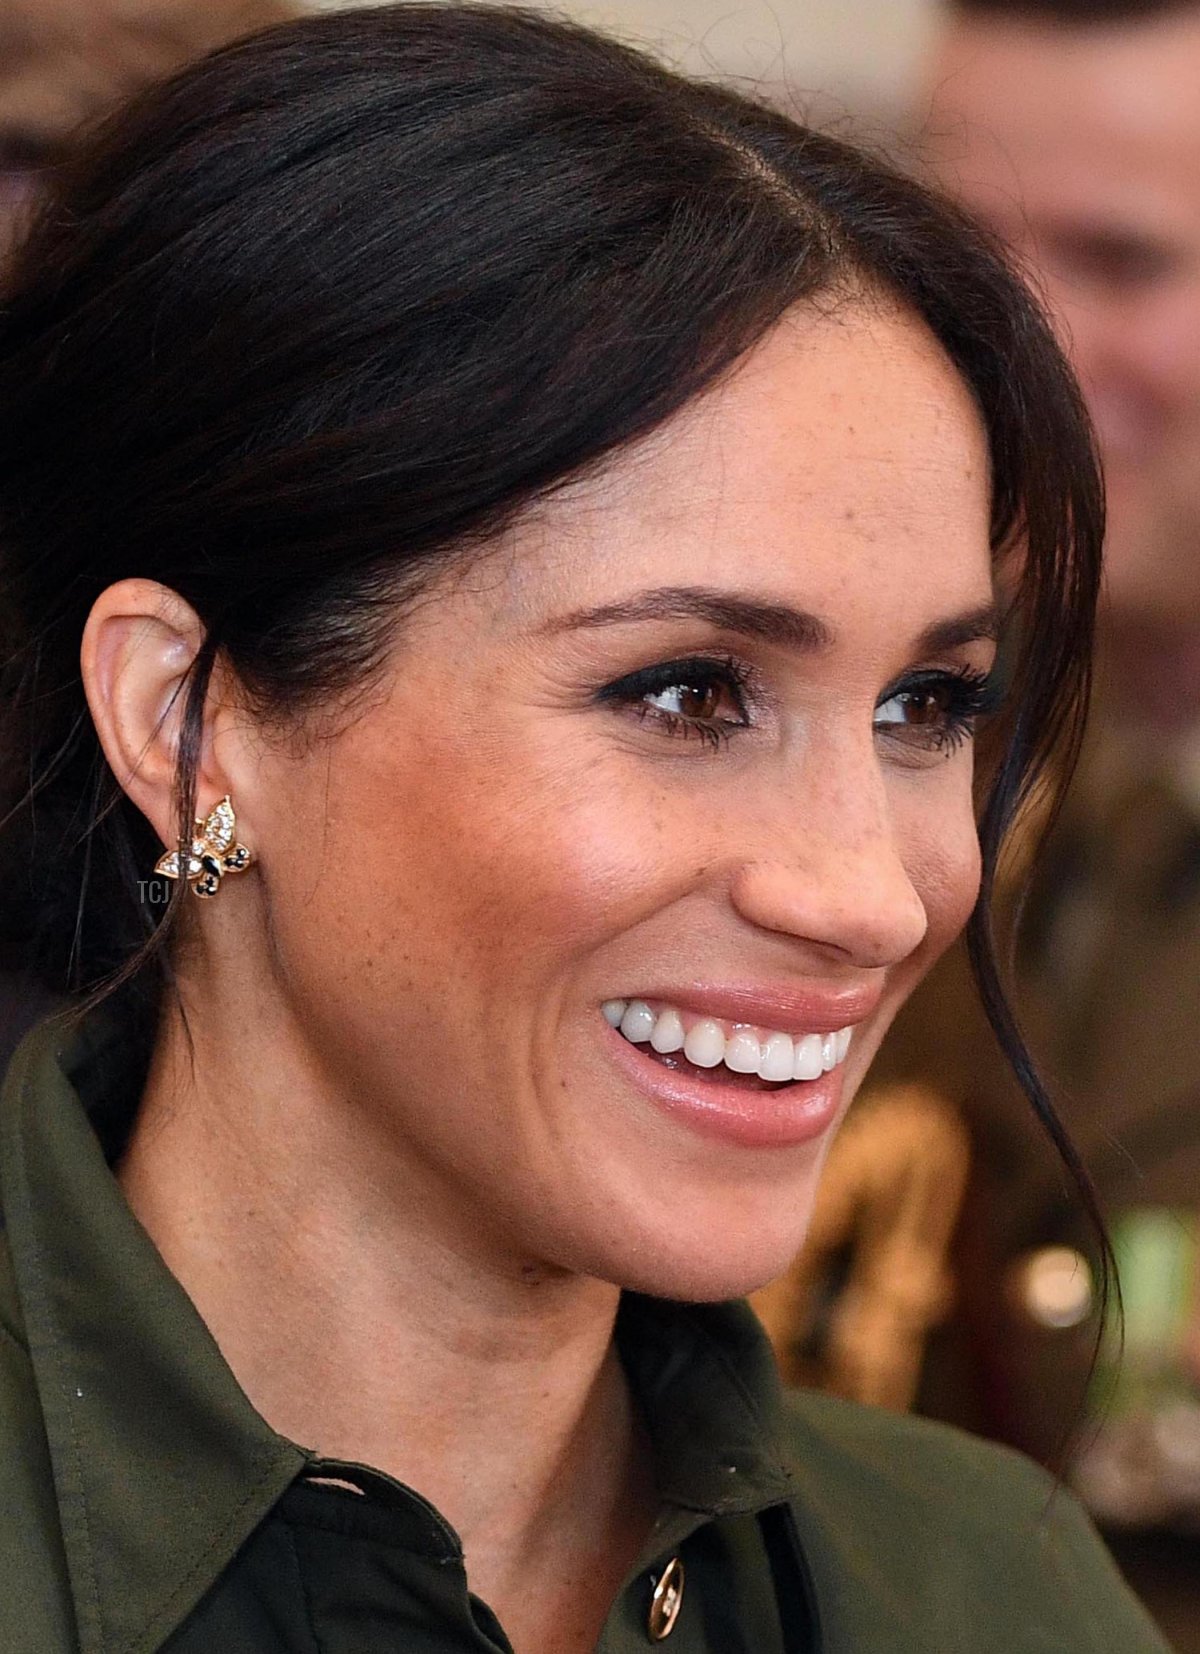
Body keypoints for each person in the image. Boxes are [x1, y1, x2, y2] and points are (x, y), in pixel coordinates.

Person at [0, 5, 1171, 1649]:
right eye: (690, 694)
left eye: (928, 707)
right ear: (189, 719)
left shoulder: (992, 1591)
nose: (871, 892)